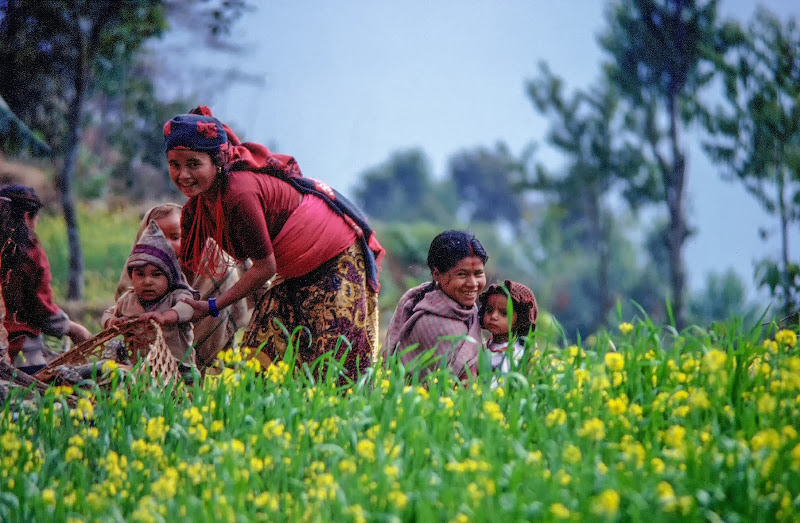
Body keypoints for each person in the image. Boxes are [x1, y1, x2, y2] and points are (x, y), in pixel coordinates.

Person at [162, 106, 385, 382]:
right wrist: (162, 308)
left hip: (335, 255)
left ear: (218, 160)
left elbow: (265, 267)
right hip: (293, 268)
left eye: (194, 164)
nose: (183, 174)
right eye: (175, 164)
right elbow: (185, 272)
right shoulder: (198, 207)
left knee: (339, 368)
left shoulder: (238, 194)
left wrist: (213, 305)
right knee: (258, 363)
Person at [115, 203, 255, 369]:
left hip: (206, 367)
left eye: (175, 237)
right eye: (157, 236)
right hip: (150, 364)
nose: (165, 245)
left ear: (191, 237)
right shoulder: (137, 283)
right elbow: (118, 314)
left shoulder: (211, 270)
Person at [0, 184, 90, 374]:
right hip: (21, 354)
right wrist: (71, 328)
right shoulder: (29, 253)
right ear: (27, 217)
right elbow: (41, 307)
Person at [382, 230, 488, 381]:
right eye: (462, 274)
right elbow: (464, 390)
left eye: (478, 274)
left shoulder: (462, 310)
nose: (472, 284)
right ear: (437, 275)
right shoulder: (435, 324)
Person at [103, 221, 199, 376]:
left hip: (178, 367)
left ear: (170, 277)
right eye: (140, 274)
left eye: (156, 274)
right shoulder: (128, 299)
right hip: (139, 368)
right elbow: (109, 313)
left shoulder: (177, 296)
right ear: (131, 276)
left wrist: (165, 317)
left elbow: (187, 309)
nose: (147, 281)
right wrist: (111, 322)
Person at [478, 279, 538, 388]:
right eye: (489, 310)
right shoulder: (483, 350)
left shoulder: (526, 351)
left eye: (504, 313)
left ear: (521, 319)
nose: (494, 316)